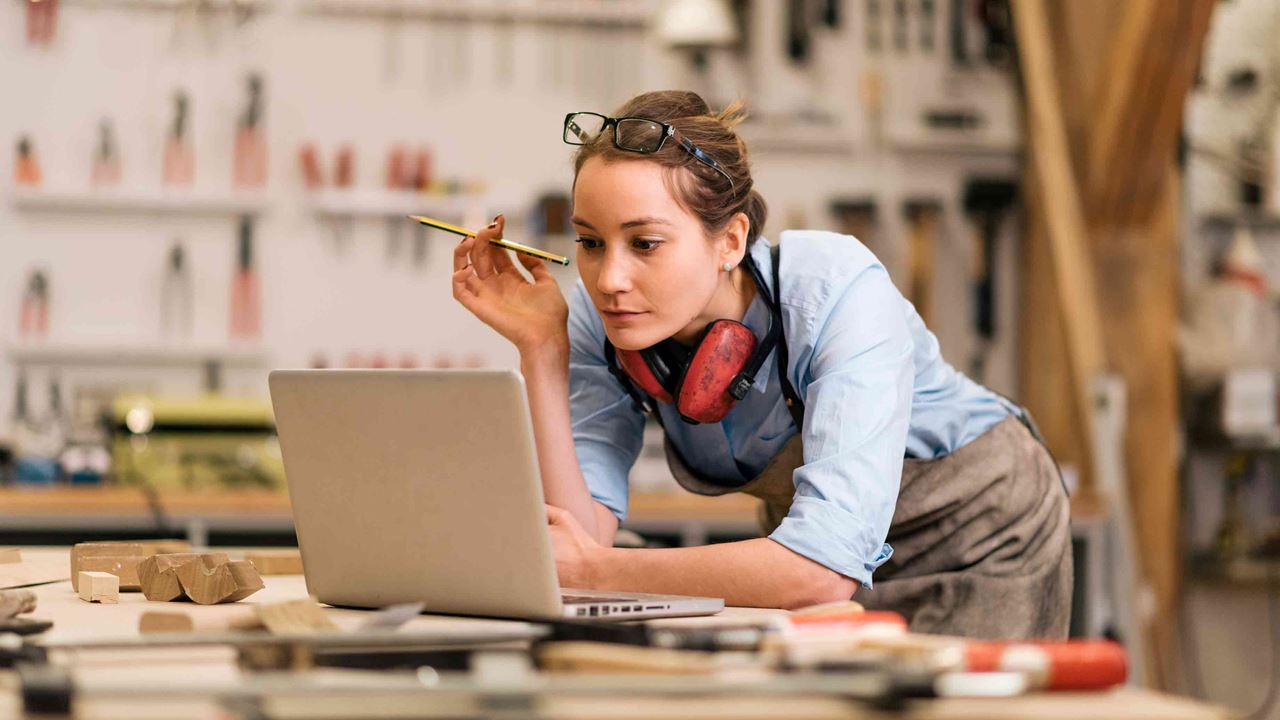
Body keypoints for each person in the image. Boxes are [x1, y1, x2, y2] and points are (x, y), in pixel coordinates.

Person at [451, 90, 1071, 638]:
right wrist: (543, 351)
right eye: (590, 242)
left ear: (730, 240)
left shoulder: (835, 290)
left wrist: (600, 571)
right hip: (809, 564)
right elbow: (578, 542)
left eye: (645, 243)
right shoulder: (601, 321)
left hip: (979, 531)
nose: (609, 278)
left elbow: (821, 570)